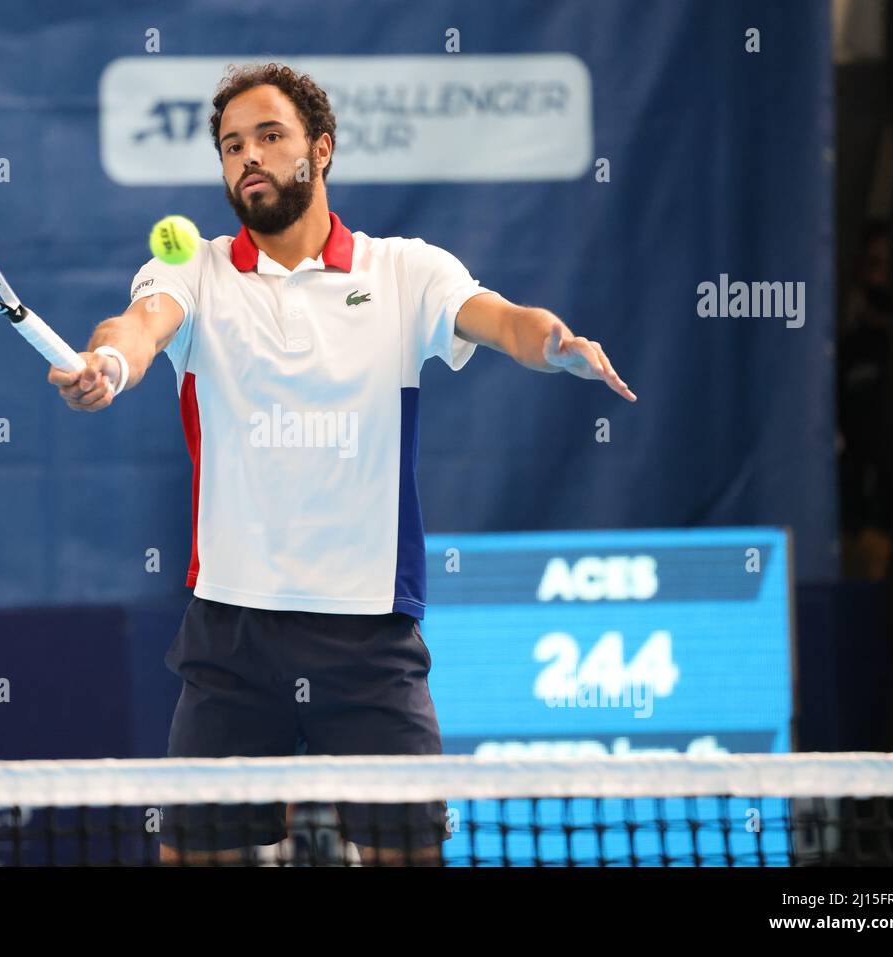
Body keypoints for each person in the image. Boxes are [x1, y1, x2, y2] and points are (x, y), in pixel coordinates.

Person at [49, 63, 635, 865]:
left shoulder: (403, 271)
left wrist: (552, 342)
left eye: (269, 136)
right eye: (230, 146)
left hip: (368, 637)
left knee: (406, 856)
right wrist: (109, 366)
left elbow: (499, 318)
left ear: (320, 151)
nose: (247, 157)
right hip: (232, 632)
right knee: (196, 857)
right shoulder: (195, 268)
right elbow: (140, 324)